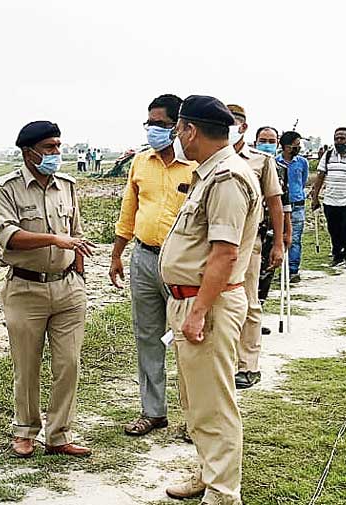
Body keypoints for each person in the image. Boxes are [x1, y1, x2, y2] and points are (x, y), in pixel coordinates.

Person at [160, 96, 261, 504]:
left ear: (191, 130)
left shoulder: (227, 179)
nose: (176, 136)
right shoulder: (209, 175)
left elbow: (225, 253)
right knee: (196, 398)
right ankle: (207, 471)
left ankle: (222, 492)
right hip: (191, 302)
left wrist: (199, 311)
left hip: (210, 305)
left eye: (179, 128)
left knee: (215, 402)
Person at [0, 120, 94, 458]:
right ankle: (25, 432)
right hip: (25, 289)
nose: (57, 154)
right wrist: (53, 239)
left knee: (68, 364)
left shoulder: (67, 185)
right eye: (50, 148)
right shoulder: (6, 187)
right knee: (27, 365)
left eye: (58, 147)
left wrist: (78, 276)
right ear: (28, 151)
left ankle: (59, 433)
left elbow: (76, 234)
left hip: (67, 289)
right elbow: (8, 235)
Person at [109, 94, 195, 437]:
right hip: (143, 258)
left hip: (184, 262)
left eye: (160, 124)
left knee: (188, 339)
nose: (153, 130)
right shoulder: (140, 163)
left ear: (179, 126)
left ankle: (194, 418)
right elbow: (127, 213)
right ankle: (153, 412)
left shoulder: (196, 165)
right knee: (147, 337)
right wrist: (117, 254)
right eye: (150, 123)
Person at [226, 105, 288, 390]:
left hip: (249, 242)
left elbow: (275, 202)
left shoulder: (261, 161)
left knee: (249, 300)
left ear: (243, 127)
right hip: (213, 241)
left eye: (233, 122)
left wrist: (278, 242)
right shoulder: (208, 158)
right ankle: (225, 360)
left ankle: (248, 365)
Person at [311, 127, 346, 268]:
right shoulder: (328, 155)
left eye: (342, 138)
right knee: (333, 229)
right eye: (336, 138)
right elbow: (320, 176)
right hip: (330, 199)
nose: (339, 141)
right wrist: (315, 197)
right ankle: (337, 255)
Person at [276, 131, 308, 283]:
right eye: (295, 145)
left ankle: (293, 271)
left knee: (295, 239)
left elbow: (303, 181)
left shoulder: (302, 162)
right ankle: (280, 269)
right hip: (280, 205)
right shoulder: (275, 162)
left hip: (297, 204)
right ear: (286, 146)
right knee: (278, 237)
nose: (298, 147)